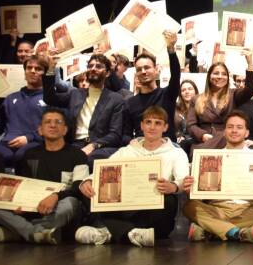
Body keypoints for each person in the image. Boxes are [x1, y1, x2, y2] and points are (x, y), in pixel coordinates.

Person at [76, 106, 189, 247]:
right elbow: (104, 171)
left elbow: (183, 179)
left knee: (169, 201)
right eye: (148, 122)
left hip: (152, 209)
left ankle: (109, 232)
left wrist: (173, 186)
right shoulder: (127, 151)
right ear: (142, 125)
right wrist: (88, 181)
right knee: (91, 192)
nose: (152, 127)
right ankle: (132, 234)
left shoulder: (176, 153)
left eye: (158, 123)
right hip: (126, 207)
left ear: (165, 127)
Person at [0, 107, 88, 244]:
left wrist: (56, 196)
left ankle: (21, 232)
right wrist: (18, 203)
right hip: (32, 208)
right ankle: (38, 233)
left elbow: (78, 188)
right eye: (48, 122)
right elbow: (21, 186)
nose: (53, 125)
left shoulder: (78, 155)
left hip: (60, 209)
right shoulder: (29, 155)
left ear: (65, 129)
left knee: (70, 203)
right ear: (40, 130)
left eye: (58, 122)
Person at [182, 110, 253, 243]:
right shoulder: (211, 157)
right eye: (230, 127)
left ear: (247, 133)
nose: (234, 130)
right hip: (217, 209)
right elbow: (199, 195)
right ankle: (238, 233)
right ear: (224, 131)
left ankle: (211, 230)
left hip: (247, 209)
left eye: (239, 127)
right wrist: (191, 189)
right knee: (190, 206)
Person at [41, 53, 125, 163]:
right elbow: (49, 98)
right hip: (75, 144)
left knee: (89, 159)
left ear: (108, 73)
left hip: (99, 146)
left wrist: (93, 145)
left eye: (98, 66)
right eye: (90, 66)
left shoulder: (116, 99)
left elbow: (115, 134)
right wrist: (51, 69)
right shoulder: (75, 94)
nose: (93, 69)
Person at [121, 31, 185, 143]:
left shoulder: (168, 94)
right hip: (140, 150)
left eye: (147, 67)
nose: (143, 71)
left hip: (167, 148)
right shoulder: (129, 103)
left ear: (156, 70)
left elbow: (176, 75)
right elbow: (126, 133)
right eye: (139, 69)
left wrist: (171, 49)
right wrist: (133, 144)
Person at [185, 55, 253, 150]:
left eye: (224, 74)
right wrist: (203, 135)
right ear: (209, 76)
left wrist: (250, 63)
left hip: (227, 142)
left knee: (224, 138)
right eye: (216, 73)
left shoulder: (233, 95)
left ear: (228, 78)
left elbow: (250, 89)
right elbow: (191, 125)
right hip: (203, 142)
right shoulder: (196, 99)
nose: (220, 76)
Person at [174, 79, 199, 146]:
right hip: (179, 142)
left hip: (197, 141)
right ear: (180, 94)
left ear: (195, 91)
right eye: (183, 90)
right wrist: (178, 135)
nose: (187, 92)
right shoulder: (175, 109)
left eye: (190, 89)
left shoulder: (202, 109)